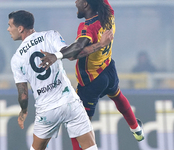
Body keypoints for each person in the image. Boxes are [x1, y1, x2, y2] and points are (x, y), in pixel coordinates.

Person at [40, 0, 144, 149]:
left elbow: (77, 48)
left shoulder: (87, 27)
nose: (75, 2)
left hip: (91, 81)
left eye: (78, 1)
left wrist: (56, 56)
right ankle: (137, 129)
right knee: (117, 96)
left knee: (78, 125)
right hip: (109, 69)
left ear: (86, 4)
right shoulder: (108, 13)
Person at [7, 10, 113, 150]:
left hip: (46, 110)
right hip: (69, 102)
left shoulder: (16, 59)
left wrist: (24, 110)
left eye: (10, 25)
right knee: (90, 147)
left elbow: (23, 94)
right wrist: (100, 44)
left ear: (20, 28)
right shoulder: (51, 35)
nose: (8, 29)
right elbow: (72, 54)